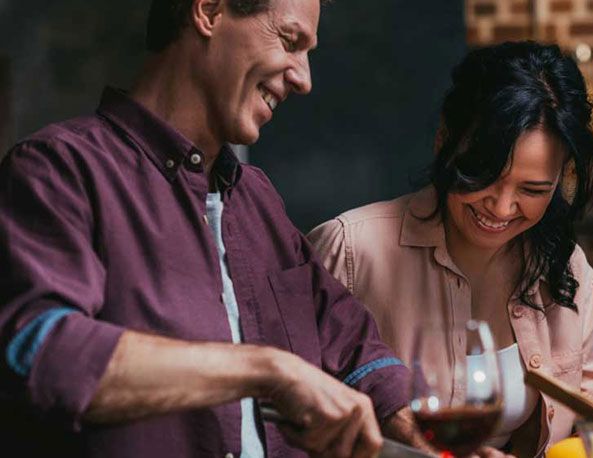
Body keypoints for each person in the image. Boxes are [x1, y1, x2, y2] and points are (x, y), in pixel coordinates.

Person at [0, 1, 422, 456]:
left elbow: (352, 346)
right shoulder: (57, 170)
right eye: (290, 41)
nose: (304, 79)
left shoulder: (258, 200)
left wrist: (431, 441)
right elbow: (42, 354)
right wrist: (266, 370)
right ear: (209, 12)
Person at [308, 42, 593, 457]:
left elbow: (592, 441)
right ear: (444, 142)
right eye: (485, 175)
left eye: (533, 190)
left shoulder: (567, 270)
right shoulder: (348, 251)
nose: (502, 207)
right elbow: (288, 419)